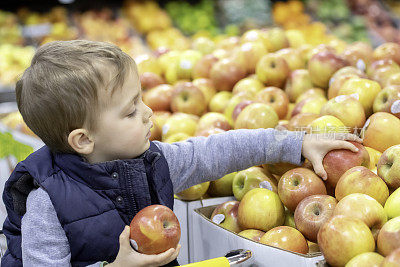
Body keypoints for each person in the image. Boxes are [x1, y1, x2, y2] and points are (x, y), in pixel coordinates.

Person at [1, 40, 361, 267]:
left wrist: (293, 143)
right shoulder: (46, 204)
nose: (147, 112)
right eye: (129, 111)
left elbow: (219, 150)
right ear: (83, 140)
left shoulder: (153, 161)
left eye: (142, 99)